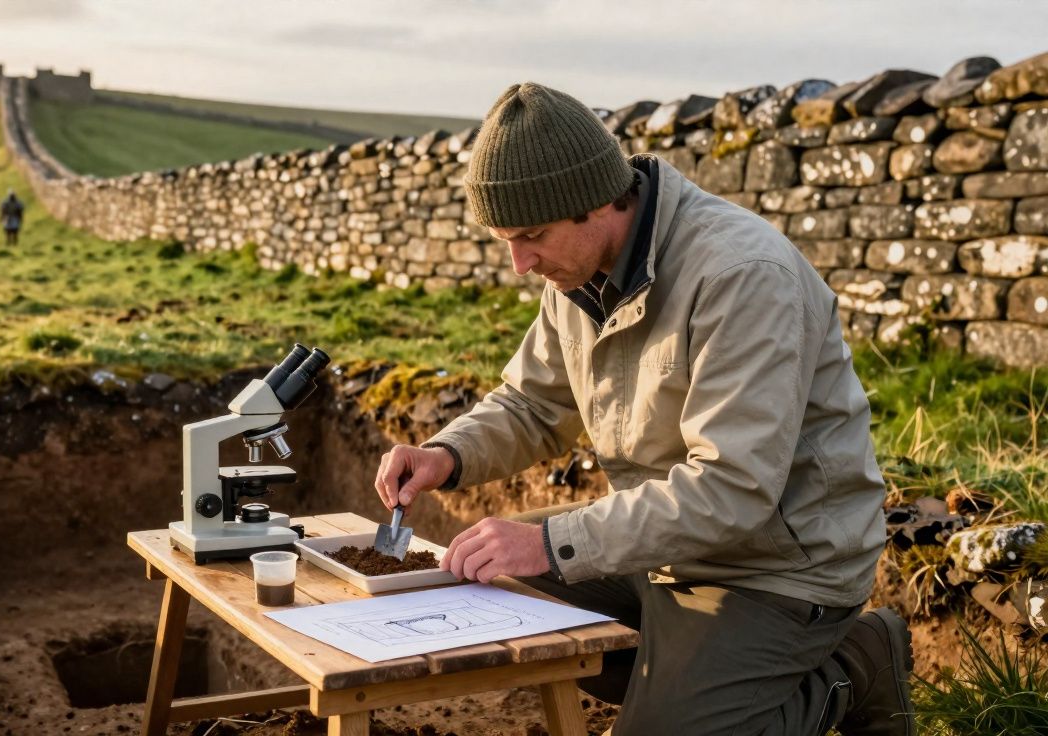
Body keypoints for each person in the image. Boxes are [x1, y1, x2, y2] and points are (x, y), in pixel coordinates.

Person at [373, 83, 910, 736]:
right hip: (656, 545)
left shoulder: (741, 275)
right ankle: (689, 679)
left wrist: (549, 542)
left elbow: (733, 491)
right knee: (473, 590)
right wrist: (445, 454)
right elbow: (531, 403)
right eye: (504, 240)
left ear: (595, 200)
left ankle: (851, 667)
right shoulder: (573, 276)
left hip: (775, 567)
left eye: (531, 236)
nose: (519, 264)